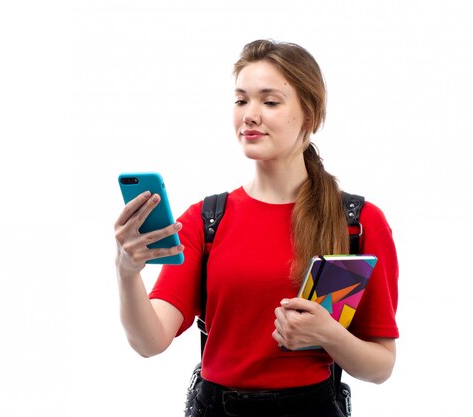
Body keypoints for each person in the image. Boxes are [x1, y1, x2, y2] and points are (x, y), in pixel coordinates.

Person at [114, 39, 399, 417]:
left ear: (310, 117)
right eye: (241, 100)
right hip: (216, 408)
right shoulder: (205, 219)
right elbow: (149, 342)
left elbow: (381, 366)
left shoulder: (357, 224)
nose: (249, 115)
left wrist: (328, 336)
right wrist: (127, 271)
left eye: (270, 101)